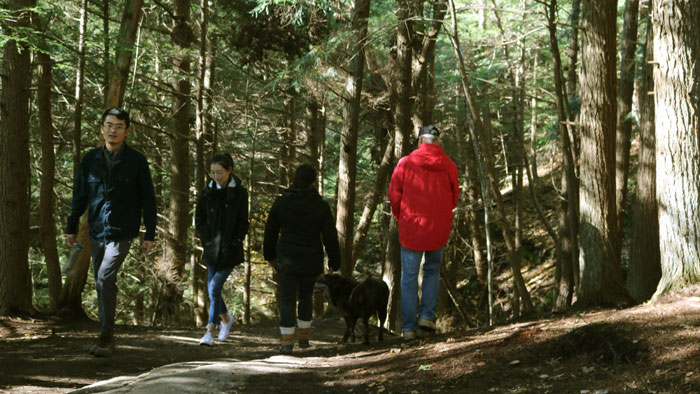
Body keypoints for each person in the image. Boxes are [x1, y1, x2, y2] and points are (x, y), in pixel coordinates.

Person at [65, 107, 157, 357]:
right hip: (96, 231)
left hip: (122, 232)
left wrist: (150, 233)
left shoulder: (137, 161)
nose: (112, 130)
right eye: (108, 125)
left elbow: (148, 199)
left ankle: (105, 336)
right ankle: (107, 334)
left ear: (127, 131)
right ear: (101, 128)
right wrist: (71, 227)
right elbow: (80, 196)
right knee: (102, 281)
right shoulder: (90, 159)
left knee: (105, 277)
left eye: (118, 126)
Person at [388, 124, 459, 340]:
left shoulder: (406, 163)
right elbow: (454, 197)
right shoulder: (449, 165)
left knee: (409, 277)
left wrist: (402, 217)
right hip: (438, 228)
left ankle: (409, 328)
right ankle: (427, 316)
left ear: (420, 141)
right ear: (438, 142)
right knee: (432, 270)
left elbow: (394, 194)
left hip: (412, 228)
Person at [263, 164, 340, 354]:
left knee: (287, 298)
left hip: (287, 259)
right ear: (314, 182)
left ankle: (287, 341)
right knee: (306, 296)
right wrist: (334, 262)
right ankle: (304, 338)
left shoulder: (282, 203)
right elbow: (330, 236)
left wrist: (269, 255)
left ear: (295, 179)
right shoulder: (320, 206)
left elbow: (270, 231)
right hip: (311, 260)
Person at [195, 153, 249, 346]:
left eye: (220, 172)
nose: (216, 176)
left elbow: (244, 221)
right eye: (212, 173)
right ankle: (226, 318)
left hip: (230, 249)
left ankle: (210, 330)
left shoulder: (240, 193)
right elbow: (199, 219)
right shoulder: (206, 192)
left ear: (229, 170)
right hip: (211, 248)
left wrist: (235, 240)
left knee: (214, 288)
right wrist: (207, 239)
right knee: (213, 290)